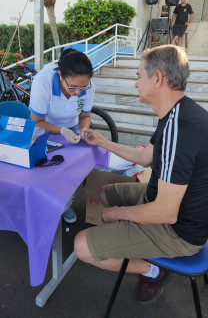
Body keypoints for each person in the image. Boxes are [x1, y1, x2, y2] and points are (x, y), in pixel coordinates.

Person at [74, 45, 208, 304]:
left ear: (157, 78)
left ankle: (153, 270)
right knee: (104, 192)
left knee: (81, 245)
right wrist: (101, 141)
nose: (136, 84)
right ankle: (129, 241)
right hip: (164, 201)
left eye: (138, 76)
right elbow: (146, 157)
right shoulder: (176, 113)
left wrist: (119, 214)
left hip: (178, 231)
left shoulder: (179, 129)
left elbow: (165, 213)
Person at [29, 48, 94, 223]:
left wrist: (83, 130)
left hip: (71, 125)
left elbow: (85, 116)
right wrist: (62, 131)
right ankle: (43, 206)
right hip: (44, 127)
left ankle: (66, 203)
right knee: (45, 169)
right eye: (72, 87)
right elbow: (37, 122)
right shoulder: (43, 82)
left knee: (69, 169)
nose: (77, 92)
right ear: (60, 75)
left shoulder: (87, 86)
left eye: (83, 87)